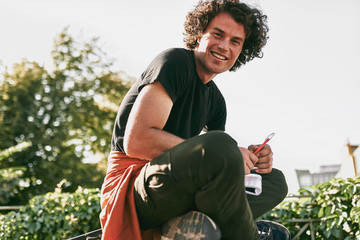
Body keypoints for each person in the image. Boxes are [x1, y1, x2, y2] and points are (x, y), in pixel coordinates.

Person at [99, 0, 289, 239]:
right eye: (217, 35)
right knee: (222, 144)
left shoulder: (217, 102)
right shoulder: (175, 63)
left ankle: (192, 225)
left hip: (183, 190)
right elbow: (137, 140)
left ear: (242, 49)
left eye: (235, 41)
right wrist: (226, 153)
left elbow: (217, 173)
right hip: (136, 185)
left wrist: (249, 161)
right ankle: (246, 235)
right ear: (199, 34)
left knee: (274, 181)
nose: (223, 46)